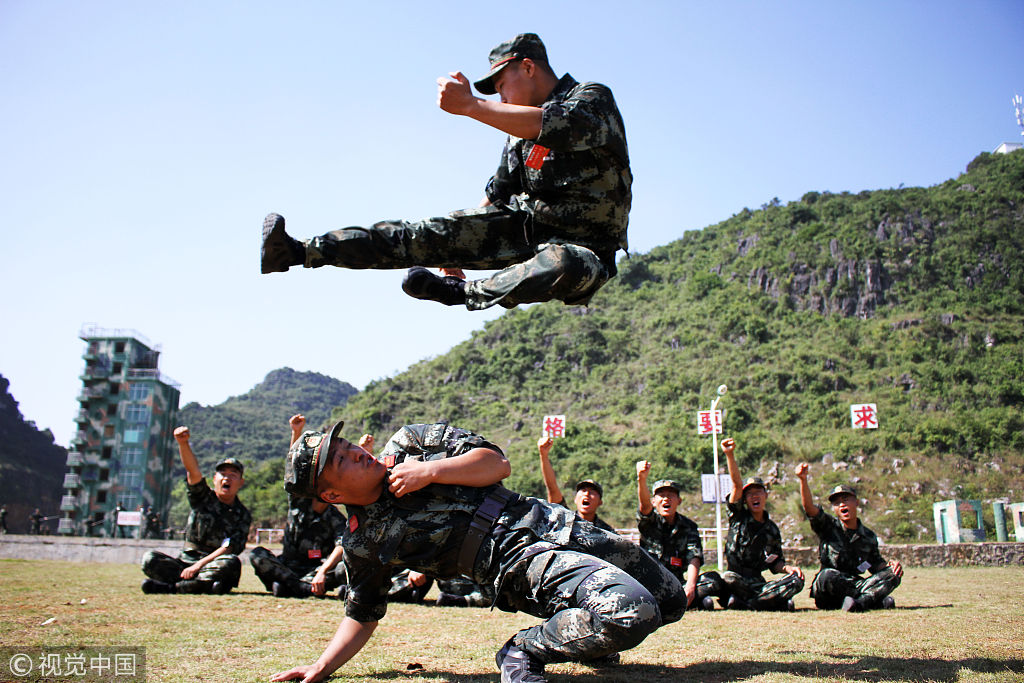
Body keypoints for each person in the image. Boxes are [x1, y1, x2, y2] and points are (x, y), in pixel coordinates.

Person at [270, 420, 685, 683]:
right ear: (332, 492)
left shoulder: (412, 442)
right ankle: (522, 651)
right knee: (632, 610)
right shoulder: (363, 542)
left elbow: (496, 464)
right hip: (517, 561)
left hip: (552, 522)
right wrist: (321, 668)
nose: (357, 453)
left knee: (670, 600)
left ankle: (588, 637)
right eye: (342, 459)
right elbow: (362, 611)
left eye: (347, 446)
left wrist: (429, 470)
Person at [260, 32, 631, 312]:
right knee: (421, 234)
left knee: (564, 264)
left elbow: (562, 125)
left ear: (528, 68)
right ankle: (298, 251)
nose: (500, 98)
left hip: (586, 250)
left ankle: (461, 294)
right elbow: (499, 191)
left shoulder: (590, 98)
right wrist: (456, 242)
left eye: (502, 86)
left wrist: (471, 105)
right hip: (525, 228)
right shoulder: (517, 137)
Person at [140, 426, 251, 594]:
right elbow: (193, 471)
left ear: (240, 482)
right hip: (185, 561)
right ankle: (200, 585)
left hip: (212, 563)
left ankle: (172, 587)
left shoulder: (242, 515)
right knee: (150, 559)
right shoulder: (203, 498)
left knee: (230, 563)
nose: (227, 478)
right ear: (214, 479)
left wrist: (199, 566)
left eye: (233, 475)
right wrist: (183, 443)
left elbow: (229, 547)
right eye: (223, 474)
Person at [699, 438, 805, 611]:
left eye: (758, 492)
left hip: (757, 583)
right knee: (727, 579)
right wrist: (730, 455)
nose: (755, 497)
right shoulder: (738, 516)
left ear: (766, 495)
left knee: (796, 581)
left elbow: (775, 563)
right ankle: (770, 602)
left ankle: (749, 602)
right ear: (745, 499)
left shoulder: (771, 529)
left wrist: (789, 568)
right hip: (735, 577)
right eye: (750, 494)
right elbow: (737, 486)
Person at [796, 463, 903, 612]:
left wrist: (891, 567)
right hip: (829, 589)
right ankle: (872, 600)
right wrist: (803, 480)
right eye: (837, 502)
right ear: (834, 508)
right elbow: (809, 508)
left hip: (855, 584)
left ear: (856, 502)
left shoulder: (868, 536)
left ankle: (859, 604)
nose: (841, 504)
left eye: (846, 499)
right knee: (826, 576)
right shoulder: (828, 526)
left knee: (893, 574)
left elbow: (875, 564)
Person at [634, 463, 707, 610]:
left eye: (671, 495)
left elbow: (694, 556)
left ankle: (686, 600)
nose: (666, 499)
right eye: (661, 495)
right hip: (651, 584)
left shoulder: (689, 526)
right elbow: (644, 507)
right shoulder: (649, 523)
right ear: (654, 501)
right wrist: (641, 479)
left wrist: (691, 587)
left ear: (679, 501)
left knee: (713, 580)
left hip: (678, 584)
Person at [537, 435, 615, 533]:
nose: (586, 494)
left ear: (600, 502)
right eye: (583, 490)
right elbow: (552, 488)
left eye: (592, 492)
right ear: (575, 499)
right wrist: (543, 455)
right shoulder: (564, 519)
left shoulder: (607, 532)